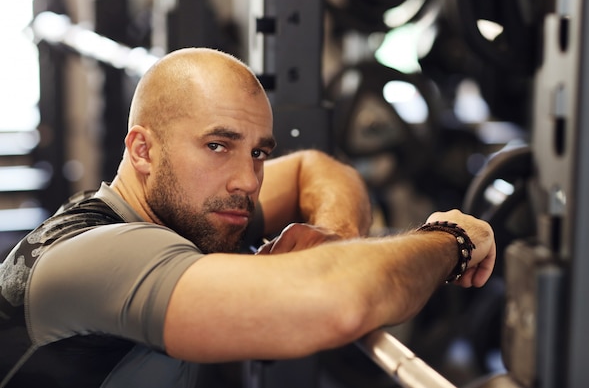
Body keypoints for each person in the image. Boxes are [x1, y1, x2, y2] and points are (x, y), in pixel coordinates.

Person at [0, 47, 496, 388]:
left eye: (258, 152)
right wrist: (450, 239)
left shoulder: (189, 208)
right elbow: (339, 302)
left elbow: (312, 169)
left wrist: (335, 239)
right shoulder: (106, 255)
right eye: (217, 145)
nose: (248, 181)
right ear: (143, 150)